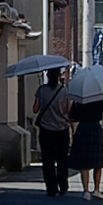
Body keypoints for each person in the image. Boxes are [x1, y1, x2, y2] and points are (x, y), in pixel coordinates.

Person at [32, 68, 72, 197]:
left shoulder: (41, 90)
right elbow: (69, 110)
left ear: (48, 76)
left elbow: (35, 109)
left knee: (48, 160)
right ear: (59, 76)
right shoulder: (65, 91)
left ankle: (51, 187)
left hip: (46, 129)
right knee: (62, 159)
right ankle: (63, 186)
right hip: (62, 128)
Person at [68, 98, 103, 200]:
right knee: (98, 162)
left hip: (82, 129)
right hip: (96, 128)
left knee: (84, 161)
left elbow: (72, 117)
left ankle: (86, 191)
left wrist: (73, 130)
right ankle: (97, 189)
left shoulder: (79, 99)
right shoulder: (99, 98)